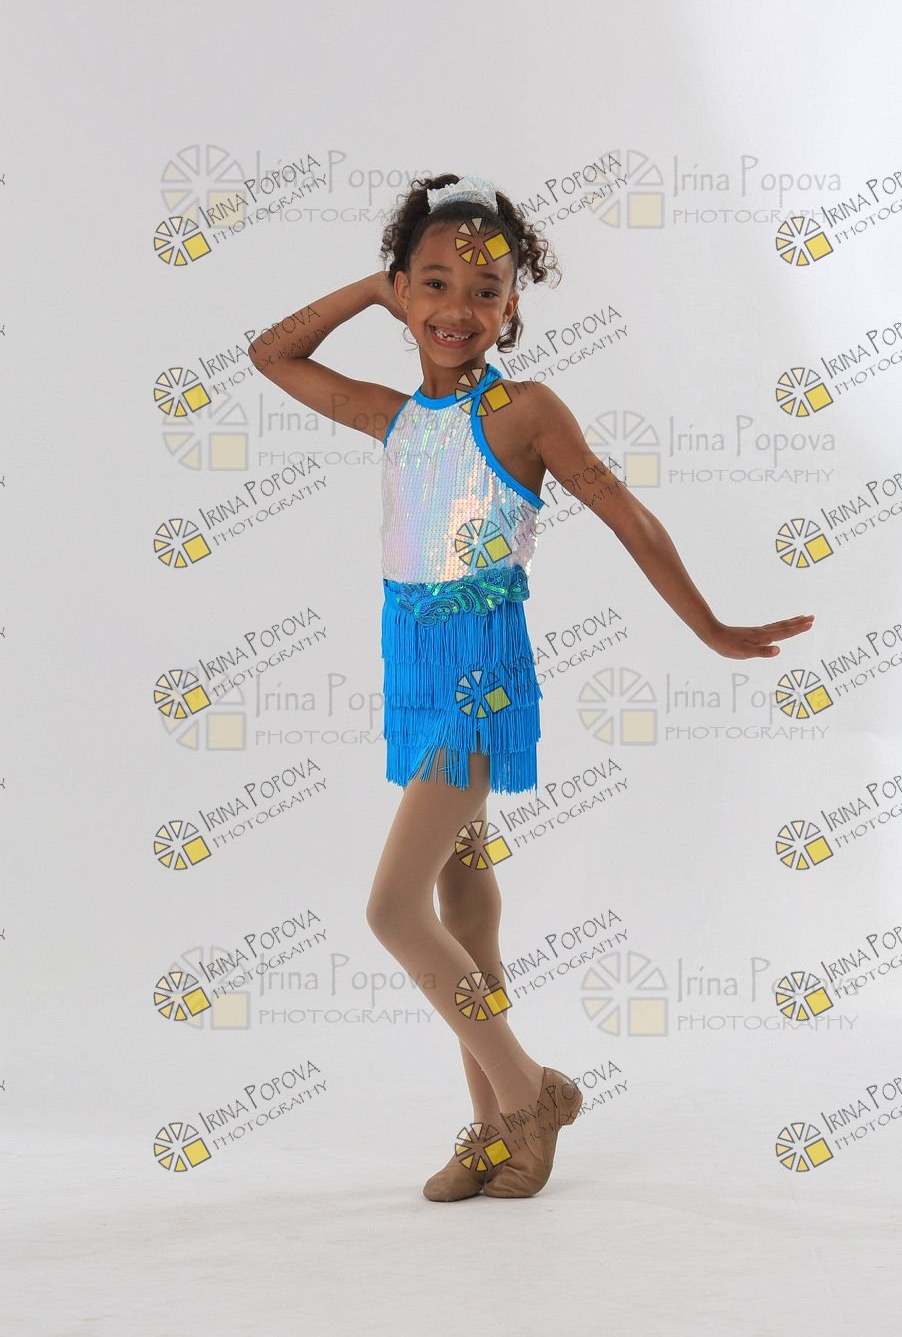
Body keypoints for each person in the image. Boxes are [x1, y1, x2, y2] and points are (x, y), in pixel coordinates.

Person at [249, 171, 815, 1201]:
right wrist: (370, 288)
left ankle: (528, 1094)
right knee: (463, 906)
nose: (456, 308)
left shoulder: (521, 411)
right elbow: (271, 354)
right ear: (403, 292)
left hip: (479, 677)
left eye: (486, 290)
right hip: (411, 670)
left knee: (391, 909)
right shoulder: (394, 418)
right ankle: (492, 1134)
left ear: (513, 307)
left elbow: (624, 512)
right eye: (431, 284)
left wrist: (711, 628)